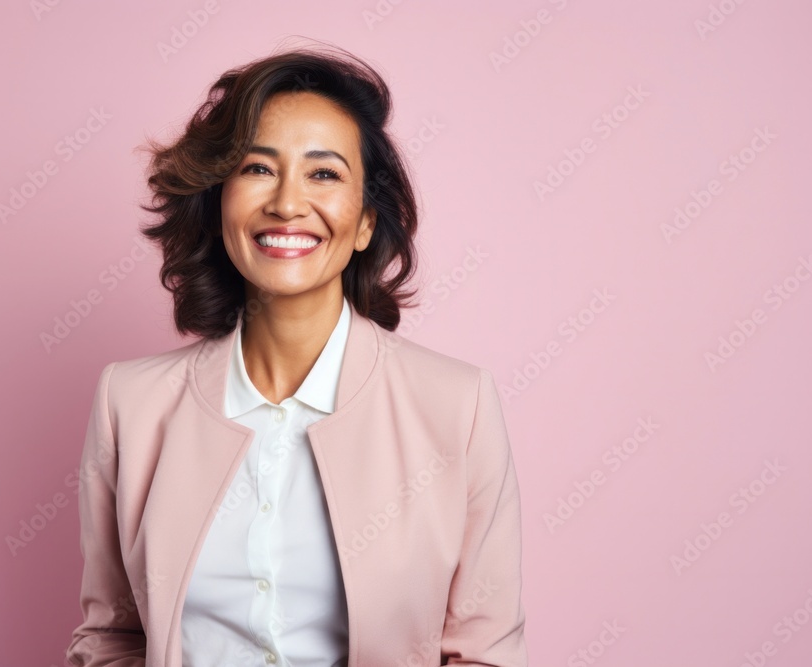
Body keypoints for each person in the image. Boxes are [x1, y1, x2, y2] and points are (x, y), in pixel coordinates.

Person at [66, 40, 528, 667]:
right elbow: (112, 638)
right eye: (257, 169)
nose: (287, 202)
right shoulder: (131, 403)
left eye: (324, 173)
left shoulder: (457, 405)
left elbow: (483, 652)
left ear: (366, 221)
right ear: (218, 201)